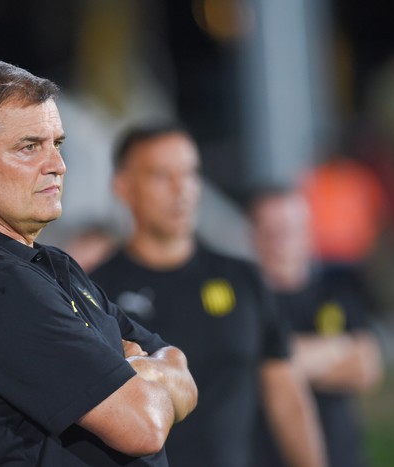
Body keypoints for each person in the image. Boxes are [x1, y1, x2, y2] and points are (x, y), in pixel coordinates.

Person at [0, 60, 197, 467]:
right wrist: (141, 367)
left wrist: (134, 371)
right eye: (29, 147)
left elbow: (182, 369)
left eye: (57, 144)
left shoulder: (48, 265)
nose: (57, 165)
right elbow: (145, 424)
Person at [89, 121, 326, 467]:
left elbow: (287, 398)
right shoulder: (97, 292)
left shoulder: (243, 279)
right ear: (123, 187)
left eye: (190, 173)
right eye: (161, 175)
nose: (181, 190)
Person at [249, 186, 383, 467]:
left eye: (289, 230)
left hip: (342, 456)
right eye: (271, 232)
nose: (280, 242)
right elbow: (251, 370)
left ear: (307, 231)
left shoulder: (336, 291)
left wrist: (283, 367)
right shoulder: (244, 301)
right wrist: (337, 348)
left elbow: (367, 366)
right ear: (253, 235)